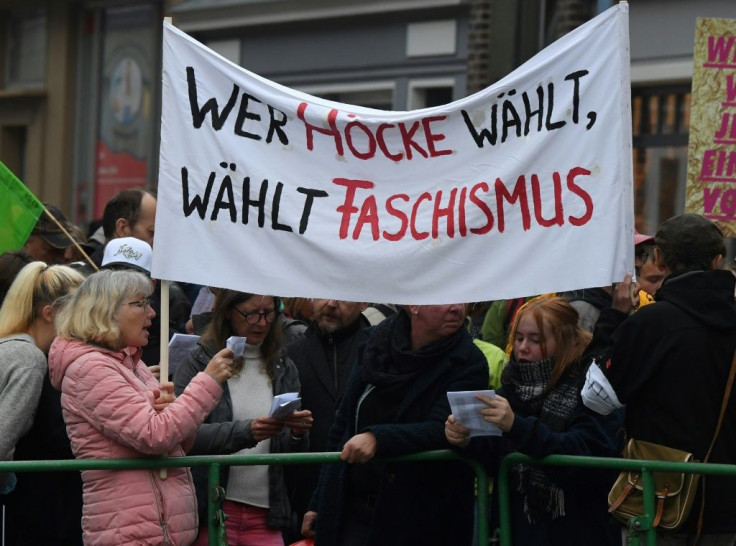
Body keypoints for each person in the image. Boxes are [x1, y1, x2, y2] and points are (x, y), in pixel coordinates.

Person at [48, 269, 234, 546]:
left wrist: (172, 409)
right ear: (105, 310)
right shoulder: (90, 368)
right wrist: (207, 382)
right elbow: (155, 436)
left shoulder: (132, 365)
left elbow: (179, 442)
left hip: (160, 529)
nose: (152, 313)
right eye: (141, 303)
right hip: (129, 533)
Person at [584, 213, 736, 546]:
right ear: (717, 260)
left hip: (658, 498)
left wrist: (612, 321)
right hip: (726, 505)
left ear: (661, 261)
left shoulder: (652, 322)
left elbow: (595, 398)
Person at [302, 303, 490, 546]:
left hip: (421, 519)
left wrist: (378, 439)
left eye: (461, 299)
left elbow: (440, 428)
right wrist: (320, 501)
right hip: (354, 511)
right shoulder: (377, 343)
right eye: (445, 298)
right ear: (414, 305)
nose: (457, 308)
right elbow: (344, 423)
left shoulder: (469, 362)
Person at [446, 296, 624, 546]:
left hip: (577, 528)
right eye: (518, 338)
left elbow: (584, 453)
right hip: (516, 529)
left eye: (535, 340)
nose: (522, 348)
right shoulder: (513, 384)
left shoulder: (590, 386)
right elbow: (497, 455)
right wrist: (465, 439)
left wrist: (517, 427)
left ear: (562, 342)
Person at [174, 290, 313, 546]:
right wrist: (246, 432)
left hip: (266, 514)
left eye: (269, 313)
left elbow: (291, 454)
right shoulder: (201, 361)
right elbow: (181, 436)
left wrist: (297, 432)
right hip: (212, 510)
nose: (261, 322)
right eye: (251, 314)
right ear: (228, 311)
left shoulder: (283, 365)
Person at [284, 298, 371, 542]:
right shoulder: (291, 353)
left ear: (363, 302)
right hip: (302, 496)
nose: (331, 303)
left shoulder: (379, 352)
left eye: (343, 294)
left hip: (362, 498)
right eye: (324, 292)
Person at [0, 262, 84, 494]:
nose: (83, 322)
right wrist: (6, 487)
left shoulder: (11, 346)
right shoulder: (29, 358)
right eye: (77, 312)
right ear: (49, 314)